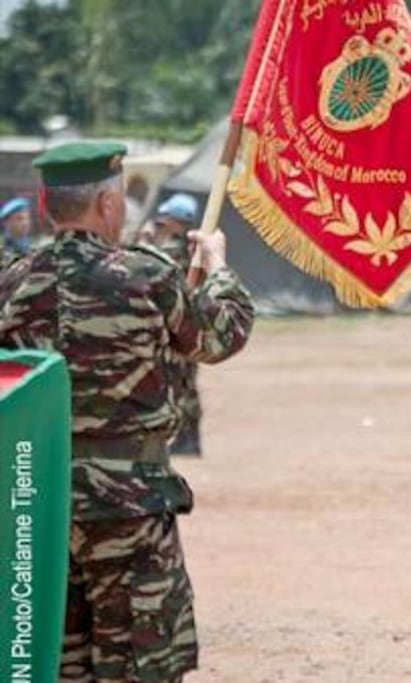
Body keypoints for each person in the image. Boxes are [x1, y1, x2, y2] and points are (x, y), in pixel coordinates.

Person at [0, 141, 255, 682]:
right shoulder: (146, 277)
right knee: (139, 664)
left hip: (39, 502)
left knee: (52, 661)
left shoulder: (15, 283)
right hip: (130, 502)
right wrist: (219, 268)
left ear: (47, 206)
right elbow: (220, 334)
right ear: (108, 205)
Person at [140, 193, 206, 456]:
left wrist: (145, 241)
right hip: (190, 324)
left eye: (165, 219)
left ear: (176, 221)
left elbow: (148, 269)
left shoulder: (175, 249)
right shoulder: (195, 248)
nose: (161, 223)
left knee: (181, 383)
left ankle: (187, 438)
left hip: (176, 325)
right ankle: (188, 438)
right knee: (185, 382)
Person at [1, 196, 34, 268]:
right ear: (6, 222)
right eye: (19, 218)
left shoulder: (32, 244)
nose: (25, 223)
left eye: (27, 218)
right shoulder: (3, 246)